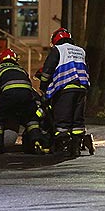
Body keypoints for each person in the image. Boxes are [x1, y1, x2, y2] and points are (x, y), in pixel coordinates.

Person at [38, 27, 90, 156]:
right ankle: (76, 146)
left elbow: (47, 70)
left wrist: (44, 86)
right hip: (82, 88)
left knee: (63, 120)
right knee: (77, 120)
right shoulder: (80, 50)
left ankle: (63, 145)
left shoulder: (58, 50)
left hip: (65, 88)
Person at [0, 48, 48, 154]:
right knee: (31, 119)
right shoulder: (21, 70)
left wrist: (6, 109)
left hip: (9, 95)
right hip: (27, 95)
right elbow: (29, 87)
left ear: (0, 60)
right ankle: (37, 142)